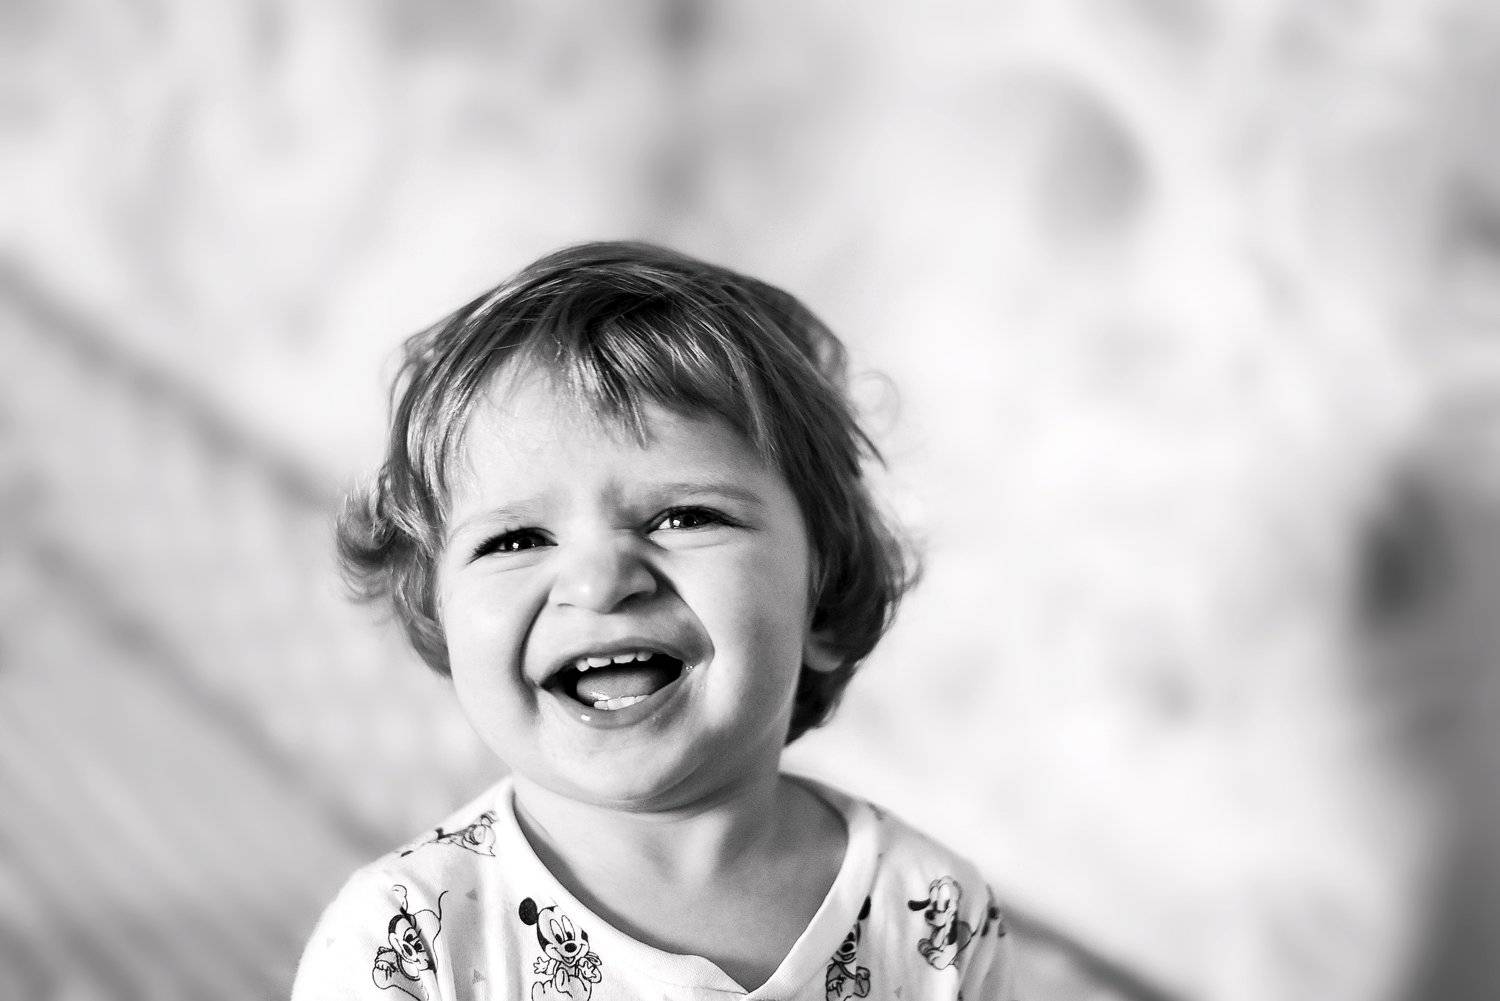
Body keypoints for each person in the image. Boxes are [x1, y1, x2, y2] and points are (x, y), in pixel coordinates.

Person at [291, 242, 1017, 1001]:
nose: (600, 581)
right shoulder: (408, 941)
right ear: (439, 617)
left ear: (824, 598)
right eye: (516, 539)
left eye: (685, 516)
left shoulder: (937, 917)